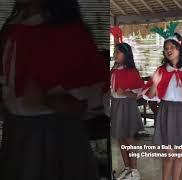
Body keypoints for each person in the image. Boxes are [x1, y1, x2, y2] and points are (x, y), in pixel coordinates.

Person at [0, 0, 106, 179]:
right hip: (16, 131)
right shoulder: (11, 29)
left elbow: (84, 102)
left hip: (55, 135)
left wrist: (47, 100)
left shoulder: (70, 32)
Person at [143, 23, 182, 180]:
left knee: (179, 156)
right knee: (169, 155)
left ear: (179, 49)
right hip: (166, 111)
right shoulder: (161, 70)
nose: (168, 50)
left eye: (172, 47)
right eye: (166, 48)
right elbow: (150, 94)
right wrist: (155, 83)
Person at [110, 43, 144, 180]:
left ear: (126, 55)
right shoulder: (114, 70)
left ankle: (135, 171)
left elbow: (138, 94)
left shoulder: (132, 71)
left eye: (118, 52)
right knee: (120, 138)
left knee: (129, 138)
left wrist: (124, 92)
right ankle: (127, 167)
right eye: (115, 52)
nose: (115, 54)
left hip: (127, 106)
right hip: (116, 105)